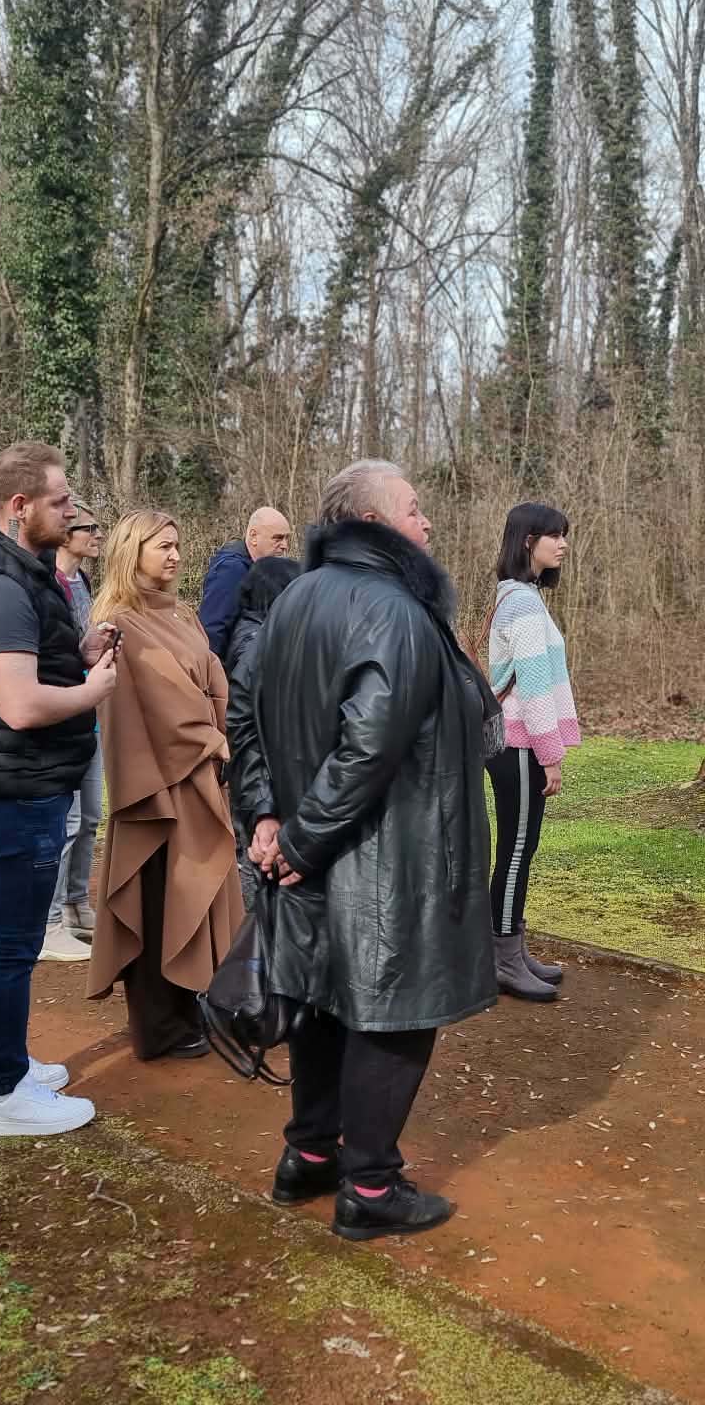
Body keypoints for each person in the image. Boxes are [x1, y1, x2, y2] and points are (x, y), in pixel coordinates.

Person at [242, 459, 496, 1239]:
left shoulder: (293, 600)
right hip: (391, 860)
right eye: (415, 510)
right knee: (392, 1012)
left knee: (322, 999)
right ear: (377, 524)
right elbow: (369, 745)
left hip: (319, 851)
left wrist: (269, 822)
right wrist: (302, 837)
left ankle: (311, 1156)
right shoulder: (392, 609)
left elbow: (242, 717)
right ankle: (373, 1190)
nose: (429, 525)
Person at [0, 442, 117, 1137]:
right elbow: (17, 704)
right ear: (20, 508)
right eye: (59, 502)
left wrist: (77, 655)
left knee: (7, 941)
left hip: (20, 783)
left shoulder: (23, 570)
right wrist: (95, 687)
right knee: (13, 947)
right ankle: (6, 1098)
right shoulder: (1, 584)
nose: (71, 511)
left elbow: (24, 669)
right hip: (14, 790)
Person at [81, 509, 243, 1059]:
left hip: (198, 773)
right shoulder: (117, 622)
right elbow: (156, 702)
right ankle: (158, 1025)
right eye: (161, 546)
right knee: (156, 893)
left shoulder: (185, 614)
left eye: (177, 545)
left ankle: (186, 999)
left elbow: (211, 677)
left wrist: (215, 722)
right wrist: (210, 734)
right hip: (156, 784)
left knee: (191, 893)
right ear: (132, 551)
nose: (174, 555)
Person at [486, 502, 581, 1002]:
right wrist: (551, 752)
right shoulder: (521, 603)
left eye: (564, 535)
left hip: (517, 741)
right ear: (528, 541)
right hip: (520, 742)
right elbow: (535, 684)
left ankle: (513, 949)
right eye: (554, 535)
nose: (563, 544)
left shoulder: (520, 597)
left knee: (520, 849)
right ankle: (502, 958)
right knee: (517, 849)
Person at [222, 554, 304, 909]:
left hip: (261, 780)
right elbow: (255, 722)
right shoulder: (256, 643)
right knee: (260, 873)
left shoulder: (259, 634)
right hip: (261, 781)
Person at [44, 505, 107, 961]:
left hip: (92, 713)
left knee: (90, 816)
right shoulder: (48, 583)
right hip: (63, 717)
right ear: (66, 536)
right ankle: (47, 925)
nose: (97, 534)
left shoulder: (84, 582)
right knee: (65, 822)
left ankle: (76, 904)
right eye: (89, 528)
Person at [199, 505, 292, 659]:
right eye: (278, 538)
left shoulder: (262, 570)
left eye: (287, 538)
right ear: (253, 536)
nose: (285, 545)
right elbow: (213, 630)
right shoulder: (231, 569)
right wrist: (213, 678)